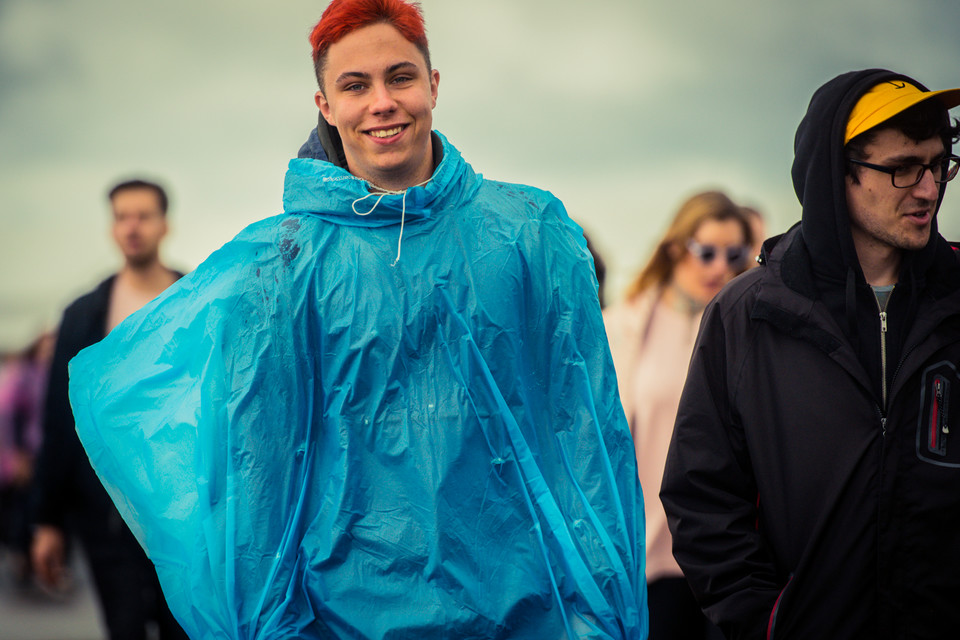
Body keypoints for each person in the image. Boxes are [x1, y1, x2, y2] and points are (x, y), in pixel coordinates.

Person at [66, 2, 647, 639]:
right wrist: (271, 627)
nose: (382, 102)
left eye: (400, 77)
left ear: (433, 86)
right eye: (355, 85)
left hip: (531, 610)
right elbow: (257, 470)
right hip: (343, 614)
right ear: (324, 104)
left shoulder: (530, 234)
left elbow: (584, 430)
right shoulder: (281, 266)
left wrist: (603, 610)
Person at [660, 69, 960, 639]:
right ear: (836, 174)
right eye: (901, 169)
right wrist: (767, 624)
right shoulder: (746, 314)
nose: (929, 188)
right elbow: (701, 499)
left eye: (938, 163)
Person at [31, 179, 187, 639]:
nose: (132, 227)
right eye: (122, 217)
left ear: (165, 225)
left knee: (188, 628)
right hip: (105, 511)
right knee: (123, 628)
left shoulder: (194, 299)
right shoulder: (84, 314)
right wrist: (46, 520)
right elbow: (59, 419)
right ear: (112, 228)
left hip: (182, 507)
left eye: (143, 216)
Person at [604, 191, 750, 640]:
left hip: (730, 555)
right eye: (705, 252)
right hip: (645, 553)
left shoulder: (750, 328)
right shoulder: (623, 325)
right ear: (675, 249)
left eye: (734, 254)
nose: (718, 267)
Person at [0, 330, 54, 588]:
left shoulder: (54, 373)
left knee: (42, 507)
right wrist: (14, 454)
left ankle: (39, 562)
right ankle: (23, 559)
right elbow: (7, 415)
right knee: (25, 508)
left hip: (47, 453)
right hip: (29, 455)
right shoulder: (25, 375)